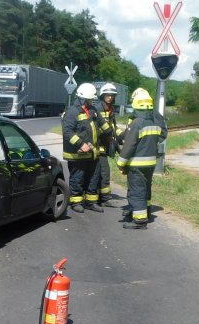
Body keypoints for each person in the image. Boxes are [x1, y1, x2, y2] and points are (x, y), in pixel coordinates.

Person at [116, 88, 167, 230]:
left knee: (136, 191)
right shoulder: (154, 121)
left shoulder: (137, 122)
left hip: (137, 164)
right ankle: (144, 212)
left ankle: (139, 221)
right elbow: (160, 137)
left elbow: (129, 145)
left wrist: (121, 163)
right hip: (150, 163)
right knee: (145, 189)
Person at [61, 82, 105, 214]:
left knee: (93, 178)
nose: (92, 101)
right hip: (77, 154)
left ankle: (91, 202)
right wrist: (81, 143)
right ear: (84, 99)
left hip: (92, 154)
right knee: (77, 179)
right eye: (90, 99)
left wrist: (112, 136)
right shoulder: (72, 112)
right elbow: (67, 131)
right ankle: (76, 202)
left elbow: (101, 126)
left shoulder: (93, 111)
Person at [93, 83, 122, 207]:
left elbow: (113, 126)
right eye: (107, 95)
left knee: (101, 172)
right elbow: (97, 128)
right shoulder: (99, 108)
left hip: (105, 145)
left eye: (112, 95)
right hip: (98, 146)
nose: (110, 97)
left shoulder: (110, 109)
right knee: (104, 171)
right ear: (102, 95)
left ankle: (100, 197)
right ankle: (104, 199)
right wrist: (108, 135)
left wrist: (121, 136)